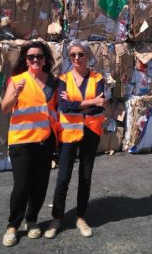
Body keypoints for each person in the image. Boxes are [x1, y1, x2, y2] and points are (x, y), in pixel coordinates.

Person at [44, 40, 106, 239]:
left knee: (85, 177)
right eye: (73, 55)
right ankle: (57, 217)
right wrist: (90, 102)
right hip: (69, 134)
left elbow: (100, 106)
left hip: (90, 132)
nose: (77, 58)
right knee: (63, 177)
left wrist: (78, 104)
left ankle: (81, 216)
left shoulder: (98, 78)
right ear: (69, 58)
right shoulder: (63, 79)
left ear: (88, 56)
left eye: (81, 54)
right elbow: (64, 106)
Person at [0, 41, 59, 247]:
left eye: (39, 57)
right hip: (22, 142)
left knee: (40, 185)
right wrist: (16, 94)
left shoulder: (52, 81)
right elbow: (5, 108)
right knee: (22, 185)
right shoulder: (16, 80)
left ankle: (31, 220)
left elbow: (55, 110)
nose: (35, 60)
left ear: (45, 60)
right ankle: (12, 226)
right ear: (25, 60)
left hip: (45, 141)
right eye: (31, 57)